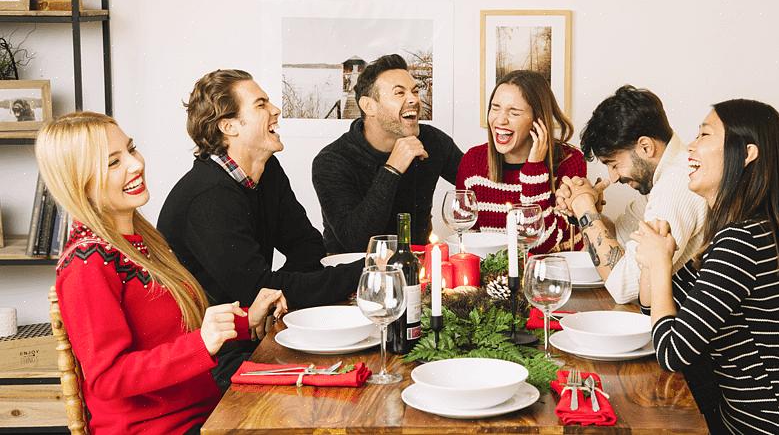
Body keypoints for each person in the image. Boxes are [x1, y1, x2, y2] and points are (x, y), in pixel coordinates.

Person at [37, 112, 286, 435]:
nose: (135, 164)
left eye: (131, 149)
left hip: (204, 414)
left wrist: (245, 321)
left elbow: (167, 331)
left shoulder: (142, 241)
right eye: (113, 162)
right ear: (77, 181)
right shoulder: (87, 263)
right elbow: (108, 377)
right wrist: (202, 342)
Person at [157, 69, 363, 386]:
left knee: (357, 364)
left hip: (254, 336)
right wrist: (367, 269)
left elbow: (307, 246)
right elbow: (254, 288)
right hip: (212, 360)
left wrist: (273, 298)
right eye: (261, 104)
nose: (275, 110)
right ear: (229, 127)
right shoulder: (209, 197)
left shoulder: (266, 171)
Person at [631, 100, 779, 434]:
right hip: (736, 416)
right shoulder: (732, 233)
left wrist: (660, 264)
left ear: (746, 154)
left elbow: (671, 353)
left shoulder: (742, 241)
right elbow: (652, 312)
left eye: (703, 134)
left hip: (765, 426)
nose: (691, 146)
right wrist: (653, 259)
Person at [557, 85, 706, 303]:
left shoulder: (677, 183)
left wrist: (584, 207)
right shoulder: (664, 175)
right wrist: (587, 211)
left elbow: (624, 286)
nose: (613, 177)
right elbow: (620, 238)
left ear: (645, 147)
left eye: (614, 164)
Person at [312, 54, 463, 251]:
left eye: (415, 91)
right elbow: (355, 241)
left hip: (417, 269)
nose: (414, 100)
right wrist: (392, 169)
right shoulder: (332, 161)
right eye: (400, 93)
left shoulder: (433, 142)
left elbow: (477, 182)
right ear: (369, 106)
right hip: (353, 272)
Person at [455, 70, 586, 254]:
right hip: (496, 278)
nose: (500, 120)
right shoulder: (472, 161)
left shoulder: (570, 161)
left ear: (537, 120)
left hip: (557, 273)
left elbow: (543, 245)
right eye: (495, 107)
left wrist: (535, 168)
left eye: (514, 112)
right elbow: (467, 242)